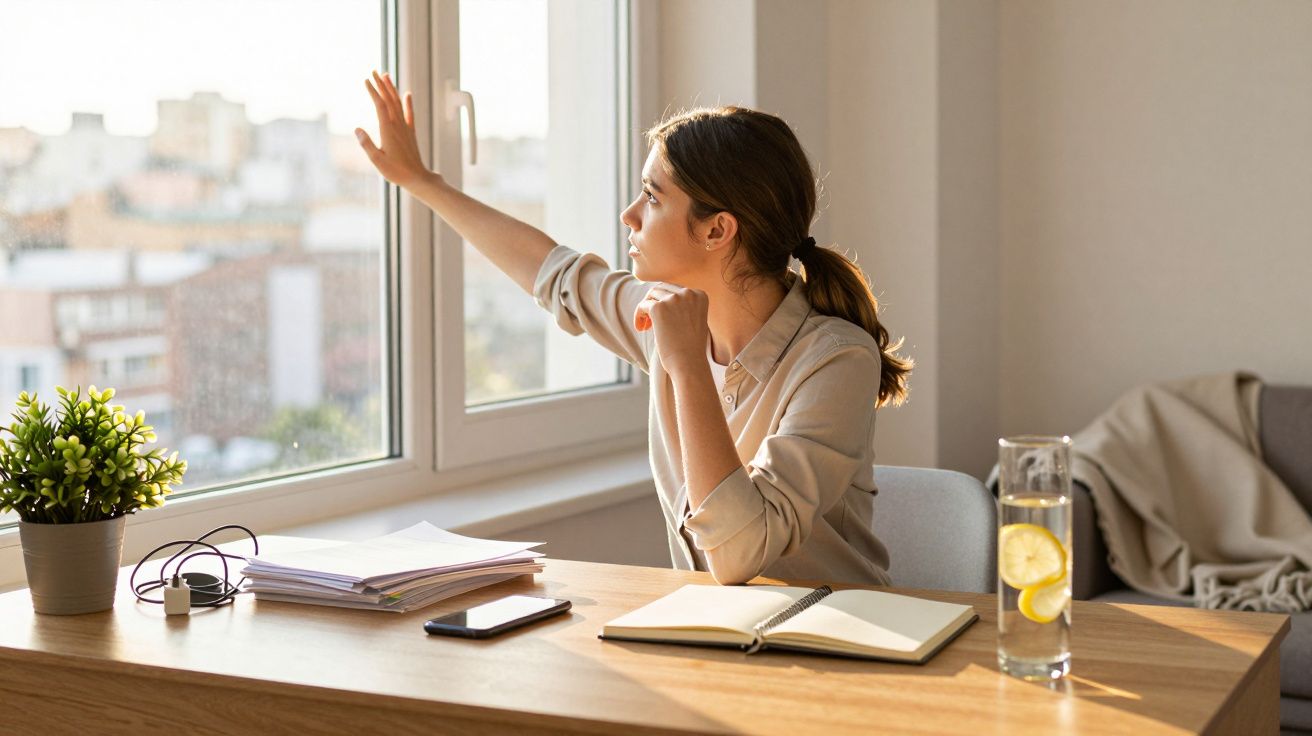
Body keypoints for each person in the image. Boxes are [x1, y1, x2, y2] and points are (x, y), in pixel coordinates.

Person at [356, 71, 912, 586]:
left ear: (717, 230)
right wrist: (422, 181)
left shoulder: (836, 360)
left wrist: (686, 365)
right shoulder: (661, 316)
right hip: (717, 636)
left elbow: (739, 554)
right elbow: (555, 274)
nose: (629, 215)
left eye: (651, 196)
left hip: (835, 639)